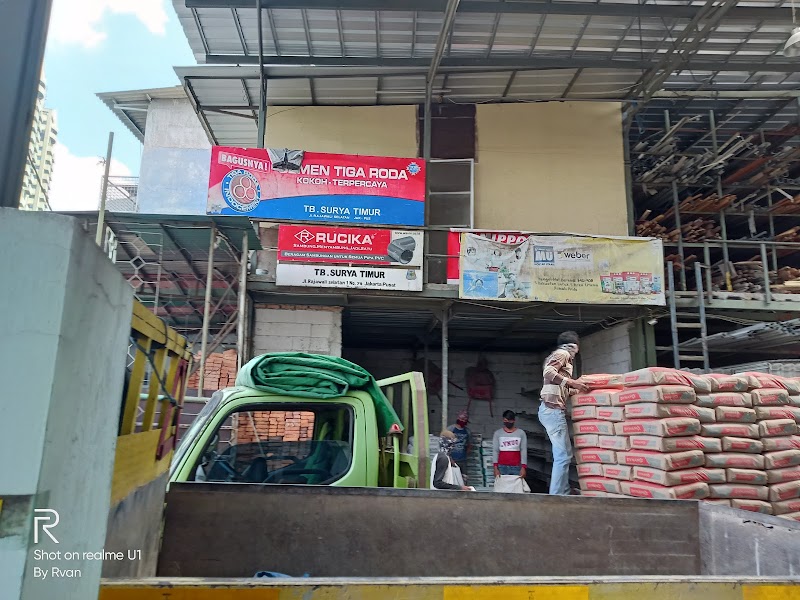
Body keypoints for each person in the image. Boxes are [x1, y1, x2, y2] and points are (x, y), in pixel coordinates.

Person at [538, 330, 590, 496]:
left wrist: (580, 389)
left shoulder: (557, 356)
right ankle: (558, 494)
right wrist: (574, 382)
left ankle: (562, 491)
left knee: (563, 455)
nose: (575, 354)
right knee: (563, 456)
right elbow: (548, 372)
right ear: (574, 347)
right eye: (576, 350)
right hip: (553, 411)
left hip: (548, 410)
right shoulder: (562, 354)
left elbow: (563, 387)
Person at [492, 410, 527, 479]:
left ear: (513, 420)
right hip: (501, 467)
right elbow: (495, 451)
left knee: (515, 488)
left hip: (516, 467)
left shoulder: (521, 433)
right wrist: (495, 467)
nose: (507, 422)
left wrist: (523, 467)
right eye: (505, 420)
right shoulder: (498, 433)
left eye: (509, 420)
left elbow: (523, 450)